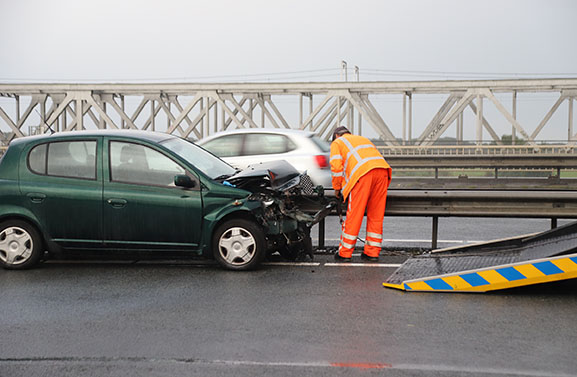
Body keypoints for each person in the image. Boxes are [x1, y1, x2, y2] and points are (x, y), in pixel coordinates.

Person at [330, 126, 392, 262]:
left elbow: (336, 168)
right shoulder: (363, 139)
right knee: (376, 214)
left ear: (335, 136)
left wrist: (337, 188)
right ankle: (372, 252)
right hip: (383, 172)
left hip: (363, 175)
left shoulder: (337, 143)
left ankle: (344, 253)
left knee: (354, 215)